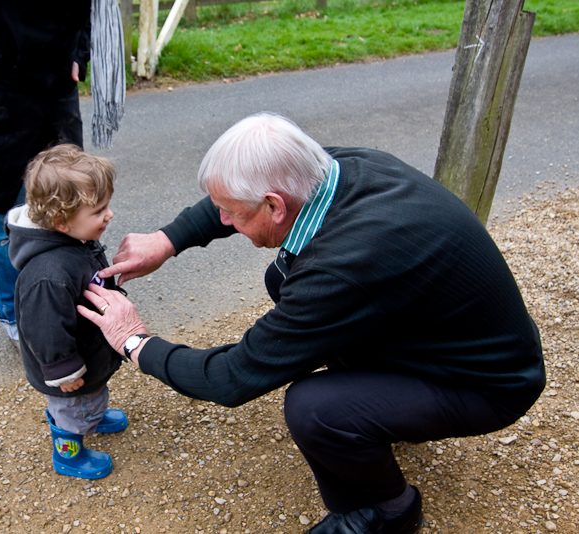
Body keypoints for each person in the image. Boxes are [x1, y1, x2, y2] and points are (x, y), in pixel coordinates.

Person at [76, 113, 546, 533]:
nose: (222, 219)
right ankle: (380, 418)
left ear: (275, 206)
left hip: (488, 383)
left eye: (233, 215)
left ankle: (386, 510)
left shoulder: (345, 265)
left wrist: (133, 339)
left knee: (315, 408)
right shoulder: (336, 168)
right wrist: (167, 239)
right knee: (283, 280)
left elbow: (230, 378)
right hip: (447, 339)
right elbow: (236, 198)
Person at [0, 1, 124, 349]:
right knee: (8, 214)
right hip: (0, 90)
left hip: (54, 88)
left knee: (64, 208)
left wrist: (79, 50)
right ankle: (18, 317)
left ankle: (58, 305)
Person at [5, 144, 128, 480]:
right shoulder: (48, 276)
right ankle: (68, 454)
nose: (109, 215)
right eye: (99, 210)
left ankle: (94, 414)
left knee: (90, 397)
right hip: (71, 367)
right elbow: (45, 329)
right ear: (61, 222)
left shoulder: (74, 240)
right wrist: (64, 370)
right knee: (71, 410)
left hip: (89, 349)